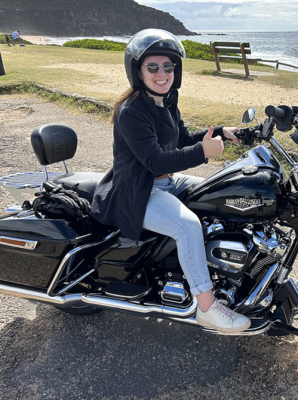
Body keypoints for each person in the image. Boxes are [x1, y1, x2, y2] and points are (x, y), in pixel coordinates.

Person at [91, 29, 251, 334]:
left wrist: (219, 132)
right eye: (153, 67)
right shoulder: (131, 111)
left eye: (168, 67)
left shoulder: (165, 100)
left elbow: (180, 139)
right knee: (187, 225)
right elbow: (154, 161)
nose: (162, 73)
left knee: (222, 190)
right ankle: (206, 307)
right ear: (138, 71)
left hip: (165, 183)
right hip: (139, 191)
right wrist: (203, 152)